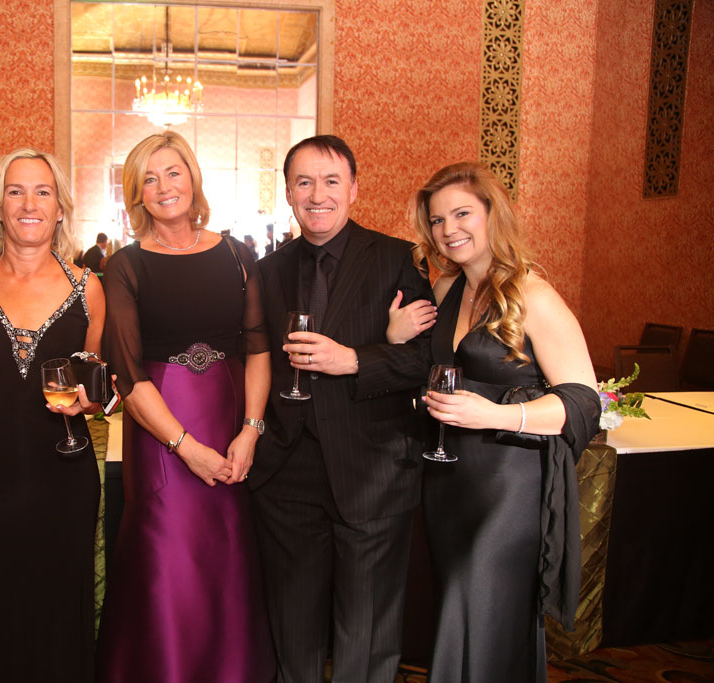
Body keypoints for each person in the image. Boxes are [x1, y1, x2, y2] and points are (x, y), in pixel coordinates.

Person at [399, 161, 600, 682]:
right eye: (437, 220)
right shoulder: (447, 289)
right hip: (447, 481)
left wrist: (495, 414)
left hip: (507, 489)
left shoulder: (534, 295)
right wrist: (397, 335)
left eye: (462, 214)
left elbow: (584, 402)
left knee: (480, 606)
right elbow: (424, 368)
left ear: (494, 214)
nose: (448, 229)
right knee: (458, 610)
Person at [250, 135, 434, 683]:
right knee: (294, 635)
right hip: (287, 474)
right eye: (304, 182)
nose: (318, 195)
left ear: (354, 188)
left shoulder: (399, 259)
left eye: (331, 181)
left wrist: (353, 359)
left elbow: (427, 360)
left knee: (367, 636)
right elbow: (254, 358)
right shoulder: (267, 270)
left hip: (372, 467)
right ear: (288, 192)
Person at [96, 130, 275, 682]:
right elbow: (129, 375)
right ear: (136, 194)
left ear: (193, 177)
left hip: (231, 424)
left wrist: (251, 430)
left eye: (173, 172)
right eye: (148, 179)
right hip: (162, 433)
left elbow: (258, 348)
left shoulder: (238, 255)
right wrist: (186, 448)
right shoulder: (125, 266)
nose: (163, 186)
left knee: (228, 557)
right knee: (167, 557)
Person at [0, 149, 104, 681]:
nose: (29, 204)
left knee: (56, 607)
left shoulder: (88, 287)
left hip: (62, 474)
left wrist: (93, 401)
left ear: (60, 208)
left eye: (43, 192)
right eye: (16, 191)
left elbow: (99, 377)